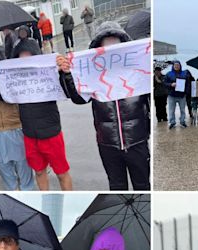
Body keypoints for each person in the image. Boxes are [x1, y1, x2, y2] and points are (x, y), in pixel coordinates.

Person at [58, 22, 150, 191]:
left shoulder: (138, 69)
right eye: (106, 47)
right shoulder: (93, 73)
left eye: (115, 45)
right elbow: (79, 98)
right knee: (116, 187)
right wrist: (67, 74)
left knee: (143, 186)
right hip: (107, 144)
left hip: (137, 140)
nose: (110, 51)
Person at [14, 37, 72, 191]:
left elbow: (69, 93)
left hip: (51, 133)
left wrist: (65, 73)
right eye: (22, 58)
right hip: (30, 134)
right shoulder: (16, 79)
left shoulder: (50, 73)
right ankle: (46, 203)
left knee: (61, 173)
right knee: (39, 172)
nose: (26, 62)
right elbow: (3, 96)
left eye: (29, 57)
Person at [0, 52, 35, 191]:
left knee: (24, 169)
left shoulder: (11, 78)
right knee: (6, 172)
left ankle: (27, 194)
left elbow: (11, 98)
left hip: (15, 128)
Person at [164, 61, 188, 129]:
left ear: (180, 66)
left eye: (178, 65)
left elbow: (187, 84)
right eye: (175, 65)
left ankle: (182, 121)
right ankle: (172, 122)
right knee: (171, 110)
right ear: (173, 66)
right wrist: (171, 84)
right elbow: (164, 83)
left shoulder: (184, 73)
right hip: (172, 95)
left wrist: (186, 92)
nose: (177, 66)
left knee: (183, 110)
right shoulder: (169, 74)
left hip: (182, 95)